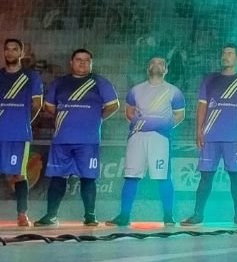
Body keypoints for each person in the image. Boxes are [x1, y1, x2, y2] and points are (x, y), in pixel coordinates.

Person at [35, 49, 119, 226]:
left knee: (88, 178)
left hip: (88, 141)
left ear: (91, 63)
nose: (82, 63)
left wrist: (96, 117)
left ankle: (90, 216)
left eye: (87, 60)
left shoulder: (100, 82)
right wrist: (66, 118)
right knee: (57, 177)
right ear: (71, 62)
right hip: (62, 140)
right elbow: (49, 107)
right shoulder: (59, 83)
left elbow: (113, 105)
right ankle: (51, 215)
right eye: (79, 60)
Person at [181, 44, 237, 226]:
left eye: (230, 53)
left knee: (235, 176)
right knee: (206, 176)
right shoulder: (210, 79)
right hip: (210, 136)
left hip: (234, 138)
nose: (225, 56)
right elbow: (201, 106)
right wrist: (198, 130)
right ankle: (198, 215)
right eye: (223, 53)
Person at [106, 57, 185, 226]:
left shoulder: (173, 91)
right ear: (147, 68)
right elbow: (129, 112)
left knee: (163, 177)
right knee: (131, 176)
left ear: (166, 70)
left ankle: (168, 217)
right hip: (137, 137)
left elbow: (179, 115)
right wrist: (140, 124)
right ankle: (124, 216)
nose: (156, 65)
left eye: (161, 64)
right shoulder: (136, 90)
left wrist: (163, 126)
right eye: (153, 63)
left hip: (160, 139)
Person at [0, 39, 43, 226]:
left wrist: (23, 122)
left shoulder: (31, 77)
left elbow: (37, 105)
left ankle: (22, 214)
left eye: (14, 49)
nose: (10, 53)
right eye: (7, 49)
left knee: (18, 174)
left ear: (21, 53)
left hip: (18, 134)